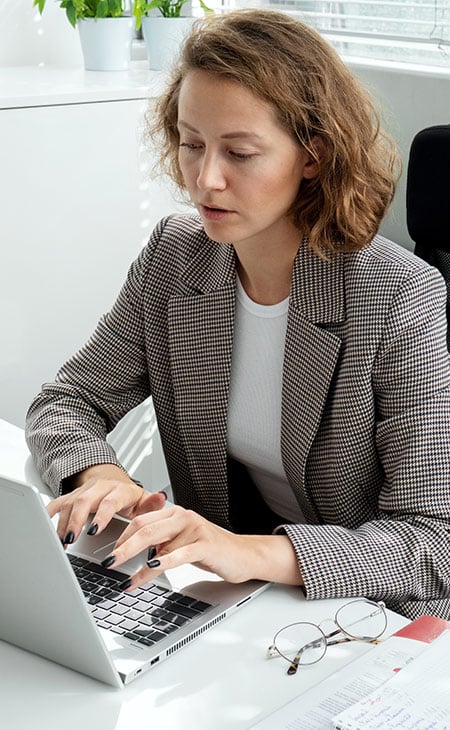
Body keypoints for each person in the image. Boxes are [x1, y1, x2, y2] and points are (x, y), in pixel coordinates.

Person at [26, 9, 450, 621]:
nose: (206, 179)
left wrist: (249, 553)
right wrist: (100, 474)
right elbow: (68, 400)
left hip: (364, 613)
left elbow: (434, 540)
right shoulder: (177, 256)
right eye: (191, 144)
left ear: (313, 155)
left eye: (240, 153)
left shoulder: (396, 296)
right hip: (221, 599)